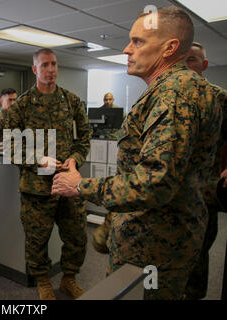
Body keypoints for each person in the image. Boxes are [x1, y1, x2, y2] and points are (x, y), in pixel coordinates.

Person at [51, 7, 222, 300]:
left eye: (138, 41)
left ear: (170, 47)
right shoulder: (199, 89)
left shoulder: (173, 95)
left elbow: (154, 183)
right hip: (174, 232)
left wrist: (79, 185)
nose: (127, 49)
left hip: (154, 243)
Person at [3, 48, 92, 300]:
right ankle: (43, 281)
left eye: (54, 64)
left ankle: (68, 279)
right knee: (37, 239)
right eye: (44, 65)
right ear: (35, 69)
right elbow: (11, 145)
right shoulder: (21, 105)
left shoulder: (71, 100)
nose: (50, 69)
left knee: (76, 235)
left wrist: (75, 159)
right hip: (36, 187)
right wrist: (37, 159)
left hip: (68, 182)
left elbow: (85, 137)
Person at [184, 42, 227, 300]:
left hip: (204, 192)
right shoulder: (170, 96)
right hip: (172, 191)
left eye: (192, 60)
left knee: (198, 252)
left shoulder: (220, 98)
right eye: (182, 60)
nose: (186, 66)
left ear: (204, 65)